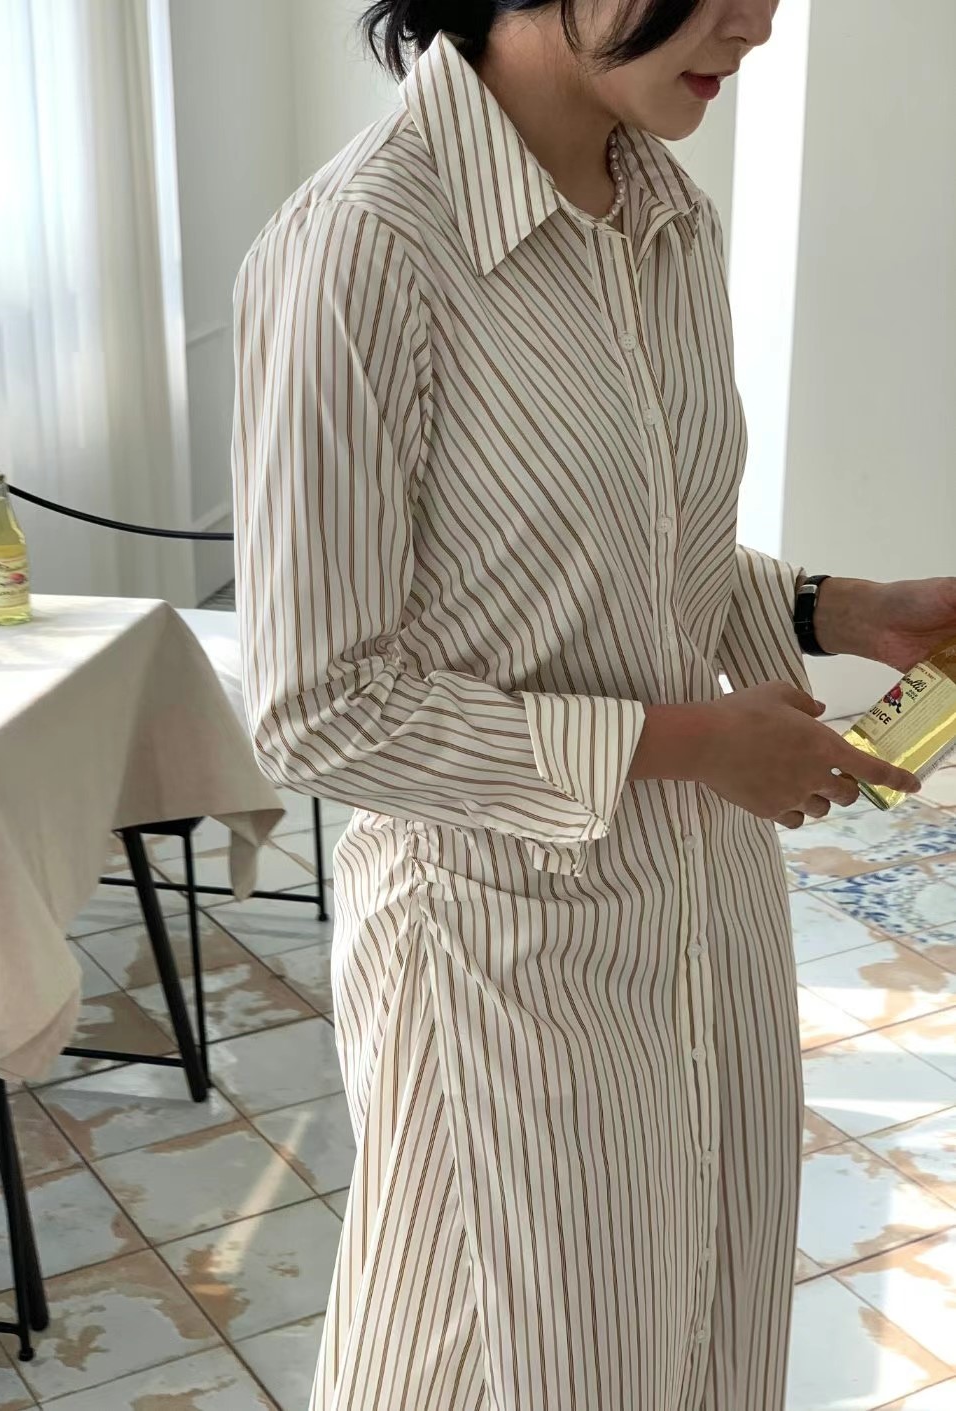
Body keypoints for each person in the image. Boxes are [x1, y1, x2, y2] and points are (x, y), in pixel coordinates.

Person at [231, 3, 956, 1407]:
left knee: (698, 1338)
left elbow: (646, 559)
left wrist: (843, 608)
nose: (758, 21)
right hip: (499, 961)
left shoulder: (665, 216)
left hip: (704, 924)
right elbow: (320, 708)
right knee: (512, 1364)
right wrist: (691, 745)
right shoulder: (360, 247)